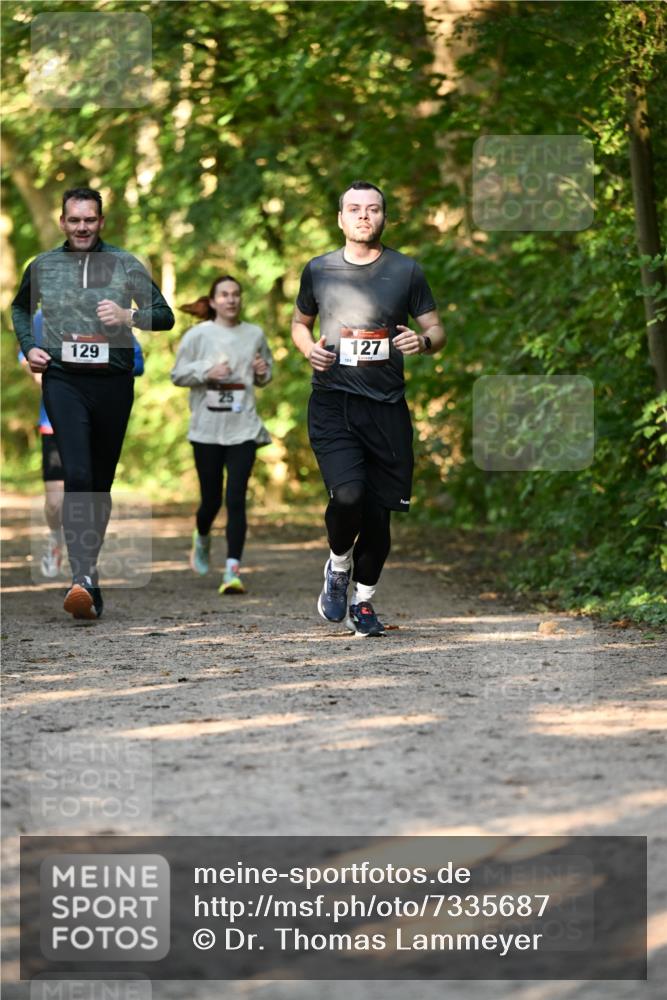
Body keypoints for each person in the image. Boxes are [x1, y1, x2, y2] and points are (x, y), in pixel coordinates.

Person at [12, 186, 174, 620]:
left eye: (89, 220)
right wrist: (29, 346)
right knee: (78, 474)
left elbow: (165, 315)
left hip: (113, 383)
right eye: (74, 220)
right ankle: (80, 577)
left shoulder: (124, 263)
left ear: (101, 221)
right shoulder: (43, 265)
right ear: (63, 222)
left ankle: (89, 573)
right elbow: (20, 310)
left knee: (99, 484)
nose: (82, 227)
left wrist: (129, 316)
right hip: (63, 380)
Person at [291, 181, 445, 637]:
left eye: (373, 209)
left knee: (379, 514)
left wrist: (423, 342)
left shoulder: (406, 270)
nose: (364, 216)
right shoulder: (319, 269)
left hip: (387, 408)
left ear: (384, 218)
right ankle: (338, 565)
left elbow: (436, 329)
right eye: (355, 209)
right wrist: (308, 349)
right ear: (340, 219)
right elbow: (299, 323)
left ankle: (363, 602)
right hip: (333, 403)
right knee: (348, 496)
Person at [19, 309, 146, 579]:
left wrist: (100, 365)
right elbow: (28, 359)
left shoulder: (107, 311)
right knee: (56, 502)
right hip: (56, 419)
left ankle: (86, 567)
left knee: (94, 488)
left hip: (99, 414)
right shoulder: (43, 317)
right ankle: (56, 537)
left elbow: (136, 361)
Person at [171, 275, 272, 594]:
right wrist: (206, 371)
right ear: (213, 302)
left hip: (243, 428)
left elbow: (265, 374)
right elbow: (177, 375)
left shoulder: (254, 334)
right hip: (207, 430)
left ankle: (232, 571)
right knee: (211, 501)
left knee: (236, 498)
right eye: (224, 295)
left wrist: (262, 371)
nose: (231, 299)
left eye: (235, 294)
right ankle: (202, 537)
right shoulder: (197, 335)